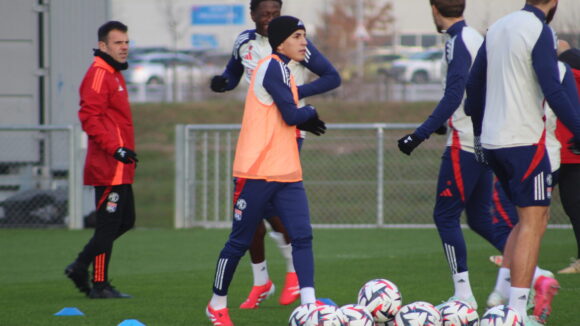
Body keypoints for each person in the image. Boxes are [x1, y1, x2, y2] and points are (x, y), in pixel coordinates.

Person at [210, 0, 340, 309]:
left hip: (285, 165)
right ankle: (219, 302)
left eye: (275, 13)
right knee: (240, 239)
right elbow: (291, 113)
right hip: (257, 167)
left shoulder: (282, 66)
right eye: (298, 37)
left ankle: (307, 302)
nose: (304, 43)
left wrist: (299, 103)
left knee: (302, 235)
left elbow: (324, 83)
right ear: (253, 15)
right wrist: (305, 109)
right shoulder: (267, 64)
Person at [465, 0, 580, 324]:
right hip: (525, 143)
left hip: (493, 141)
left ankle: (500, 295)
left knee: (524, 221)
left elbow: (473, 87)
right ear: (554, 2)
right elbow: (552, 90)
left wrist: (477, 136)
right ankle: (516, 312)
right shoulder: (540, 30)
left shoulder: (498, 27)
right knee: (534, 222)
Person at [397, 0, 497, 309]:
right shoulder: (476, 38)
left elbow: (454, 93)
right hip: (484, 139)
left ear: (434, 9)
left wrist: (420, 133)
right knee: (480, 220)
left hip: (465, 143)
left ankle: (463, 295)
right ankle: (533, 273)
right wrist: (442, 123)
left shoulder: (457, 40)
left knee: (445, 215)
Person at [64, 21, 137, 299]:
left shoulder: (114, 74)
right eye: (118, 43)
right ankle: (96, 281)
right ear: (103, 46)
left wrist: (123, 152)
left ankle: (84, 269)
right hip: (107, 166)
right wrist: (115, 149)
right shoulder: (98, 74)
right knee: (107, 228)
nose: (125, 47)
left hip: (120, 166)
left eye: (126, 42)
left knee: (125, 221)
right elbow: (89, 118)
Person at [554, 41, 580, 274]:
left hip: (559, 150)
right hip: (569, 150)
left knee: (529, 207)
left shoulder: (562, 74)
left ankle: (511, 253)